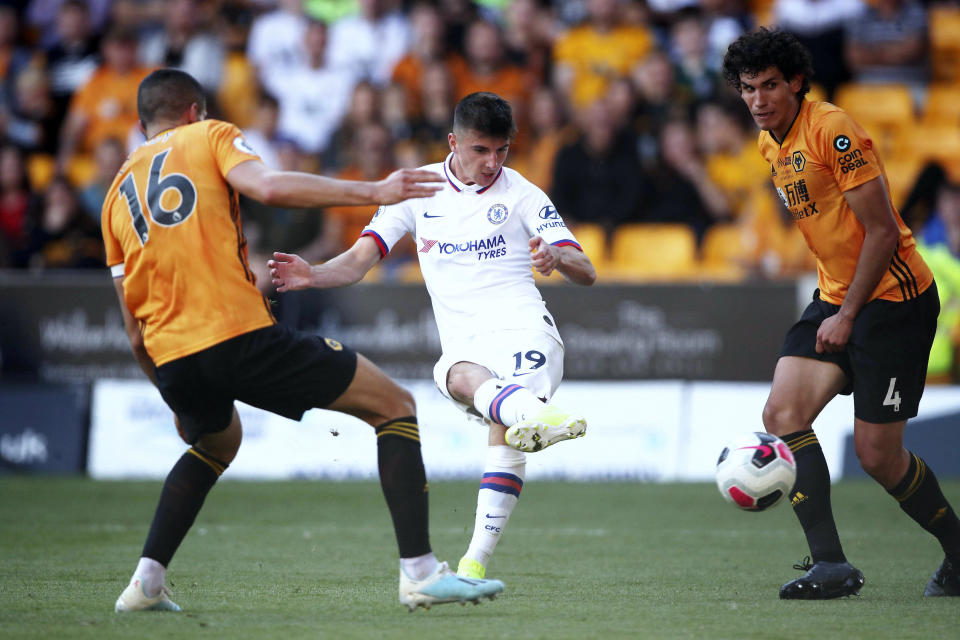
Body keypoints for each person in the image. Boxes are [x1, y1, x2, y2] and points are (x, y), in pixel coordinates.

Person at [102, 69, 504, 614]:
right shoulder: (210, 135)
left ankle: (145, 584)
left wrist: (170, 390)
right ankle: (421, 573)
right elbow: (267, 186)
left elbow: (131, 327)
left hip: (171, 355)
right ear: (195, 111)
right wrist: (373, 191)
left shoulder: (114, 198)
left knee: (216, 443)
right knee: (394, 406)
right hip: (235, 333)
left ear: (141, 123)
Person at [268, 92, 597, 581]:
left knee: (492, 411)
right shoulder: (417, 191)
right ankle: (480, 552)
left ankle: (477, 555)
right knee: (467, 384)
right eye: (480, 150)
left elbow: (585, 269)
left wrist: (555, 256)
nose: (492, 163)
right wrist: (311, 274)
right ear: (453, 142)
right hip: (469, 345)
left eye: (501, 151)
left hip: (526, 329)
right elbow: (359, 261)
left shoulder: (523, 192)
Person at [721, 27, 960, 599]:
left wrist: (848, 314)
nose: (759, 100)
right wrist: (836, 303)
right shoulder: (768, 143)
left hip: (892, 301)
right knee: (783, 413)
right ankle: (830, 565)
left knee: (879, 456)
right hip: (836, 295)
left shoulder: (833, 130)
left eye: (771, 86)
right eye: (749, 89)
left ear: (797, 82)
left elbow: (881, 231)